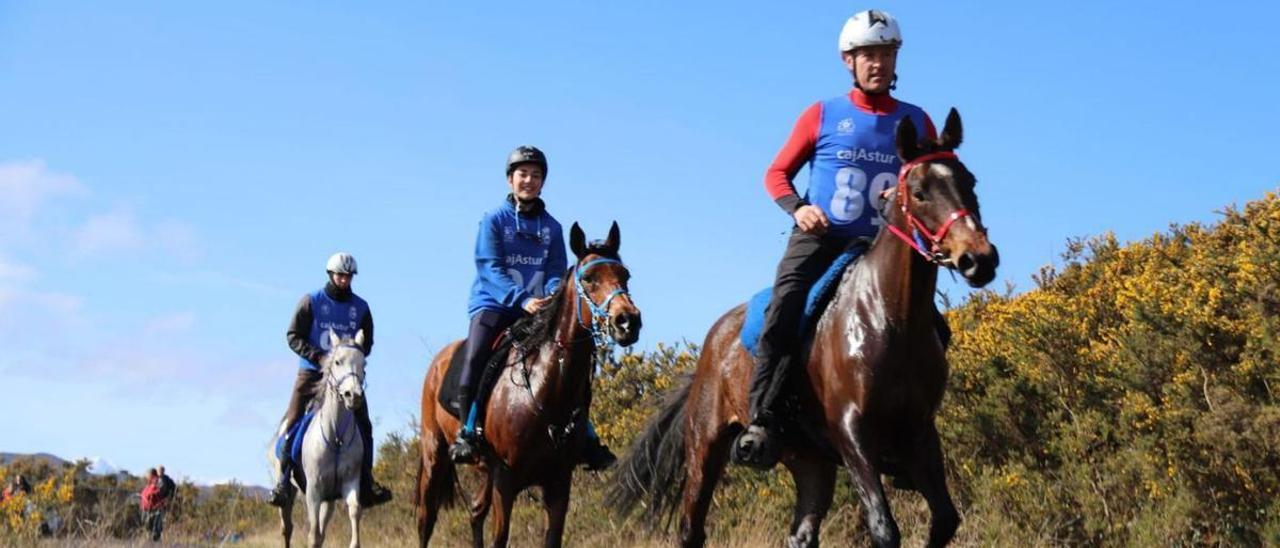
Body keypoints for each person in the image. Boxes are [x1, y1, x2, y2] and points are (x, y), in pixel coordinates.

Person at [734, 9, 946, 468]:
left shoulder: (917, 121)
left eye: (886, 54)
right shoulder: (823, 113)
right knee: (786, 308)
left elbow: (930, 179)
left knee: (935, 327)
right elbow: (776, 174)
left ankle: (913, 433)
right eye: (868, 55)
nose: (878, 64)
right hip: (821, 238)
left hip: (883, 246)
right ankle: (762, 419)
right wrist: (800, 208)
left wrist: (906, 190)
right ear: (849, 61)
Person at [447, 145, 616, 470]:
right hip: (495, 304)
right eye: (523, 174)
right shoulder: (493, 220)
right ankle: (467, 432)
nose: (529, 180)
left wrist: (552, 296)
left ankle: (588, 436)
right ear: (510, 180)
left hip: (539, 307)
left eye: (536, 175)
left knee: (573, 358)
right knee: (478, 356)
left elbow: (556, 271)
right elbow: (489, 267)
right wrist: (521, 299)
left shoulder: (552, 228)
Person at [268, 252, 393, 507]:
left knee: (364, 425)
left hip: (346, 377)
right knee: (292, 420)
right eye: (340, 275)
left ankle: (367, 482)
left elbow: (367, 342)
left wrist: (351, 357)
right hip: (312, 372)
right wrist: (318, 356)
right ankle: (282, 480)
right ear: (331, 274)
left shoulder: (361, 307)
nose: (344, 280)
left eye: (348, 276)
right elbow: (293, 335)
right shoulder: (311, 301)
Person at [140, 469, 161, 541]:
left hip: (152, 512)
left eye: (148, 476)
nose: (146, 478)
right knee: (146, 530)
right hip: (145, 510)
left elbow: (158, 493)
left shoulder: (156, 485)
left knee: (153, 533)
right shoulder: (148, 486)